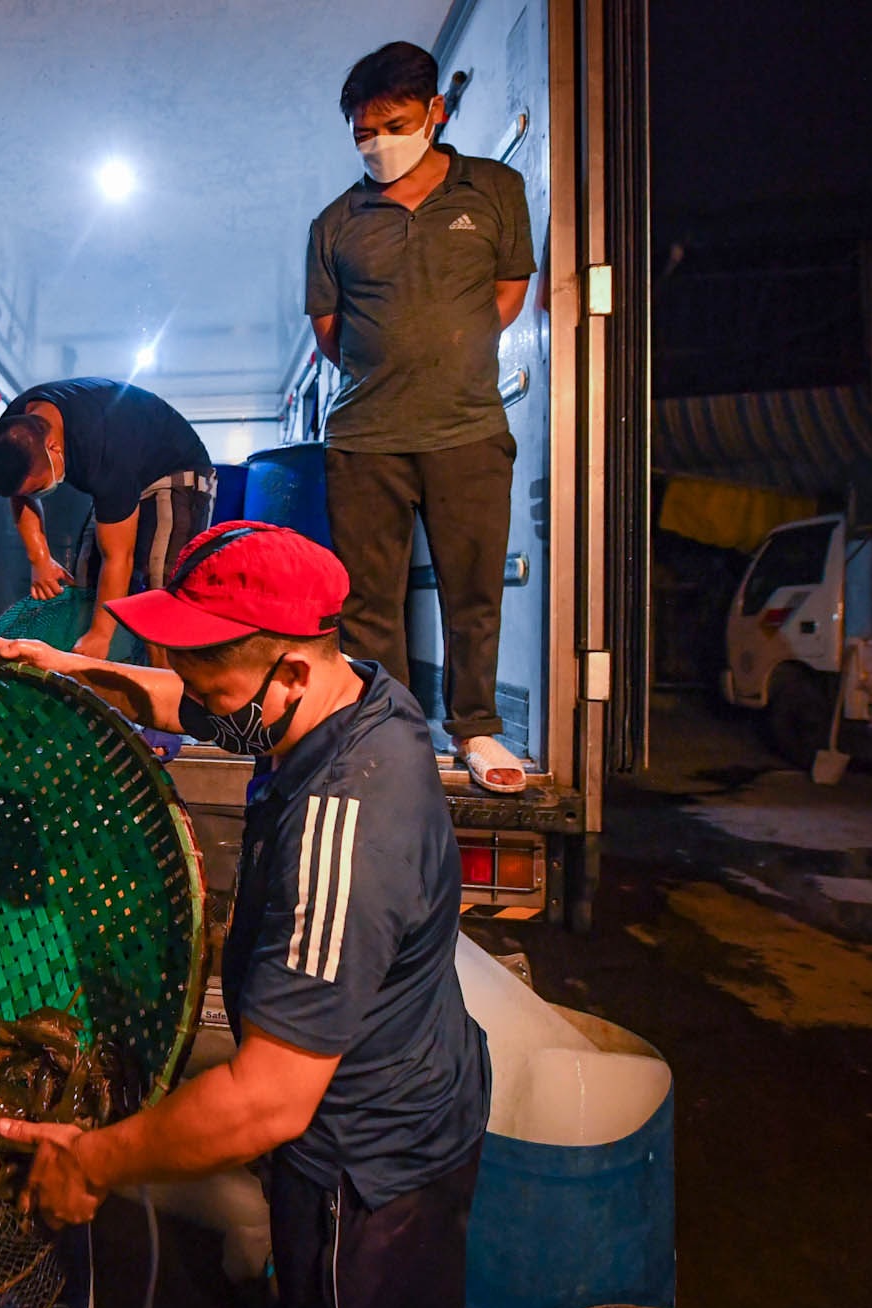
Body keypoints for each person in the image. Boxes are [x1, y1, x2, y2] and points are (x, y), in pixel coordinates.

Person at [0, 521, 489, 1308]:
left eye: (212, 686)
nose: (193, 703)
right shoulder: (353, 696)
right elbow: (194, 701)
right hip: (395, 1104)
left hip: (368, 1174)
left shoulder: (345, 819)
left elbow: (267, 1100)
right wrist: (70, 668)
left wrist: (93, 1161)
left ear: (289, 671)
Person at [307, 41, 536, 793]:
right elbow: (331, 332)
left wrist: (451, 354)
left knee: (473, 589)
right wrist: (393, 368)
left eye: (394, 125)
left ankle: (475, 730)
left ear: (436, 112)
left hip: (466, 429)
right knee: (370, 602)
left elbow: (509, 292)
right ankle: (393, 733)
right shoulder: (335, 222)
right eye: (363, 134)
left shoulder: (495, 189)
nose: (378, 145)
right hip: (365, 439)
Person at [0, 377, 214, 661]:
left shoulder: (102, 450)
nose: (38, 494)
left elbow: (118, 557)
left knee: (159, 590)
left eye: (38, 487)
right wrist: (40, 559)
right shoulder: (14, 428)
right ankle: (97, 684)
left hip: (175, 470)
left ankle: (166, 691)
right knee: (87, 580)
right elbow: (21, 495)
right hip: (123, 467)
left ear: (53, 448)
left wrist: (100, 635)